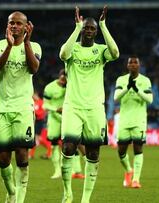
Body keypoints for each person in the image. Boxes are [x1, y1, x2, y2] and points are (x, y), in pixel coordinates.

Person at [59, 6, 119, 203]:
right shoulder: (73, 49)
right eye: (87, 27)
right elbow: (62, 54)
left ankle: (85, 199)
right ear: (82, 29)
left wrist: (103, 25)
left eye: (93, 28)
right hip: (73, 106)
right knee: (68, 148)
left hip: (94, 108)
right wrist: (76, 28)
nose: (89, 31)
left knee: (93, 152)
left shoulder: (101, 51)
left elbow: (116, 53)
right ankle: (67, 193)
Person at [0, 11, 41, 203]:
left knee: (21, 155)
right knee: (3, 158)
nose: (14, 26)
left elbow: (34, 68)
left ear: (26, 27)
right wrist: (9, 47)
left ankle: (18, 200)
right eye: (11, 23)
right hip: (1, 109)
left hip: (24, 108)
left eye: (19, 24)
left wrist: (25, 42)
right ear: (7, 25)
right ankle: (11, 191)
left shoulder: (34, 46)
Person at [114, 56, 153, 189]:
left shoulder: (145, 81)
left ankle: (136, 179)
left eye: (135, 62)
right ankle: (128, 170)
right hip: (124, 120)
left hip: (139, 121)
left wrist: (136, 89)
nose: (133, 64)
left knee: (138, 149)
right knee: (121, 151)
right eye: (130, 62)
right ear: (127, 65)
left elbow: (149, 100)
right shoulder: (121, 80)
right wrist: (127, 87)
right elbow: (115, 97)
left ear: (139, 65)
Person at [44, 69, 85, 180]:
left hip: (68, 118)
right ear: (59, 76)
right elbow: (45, 105)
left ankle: (76, 171)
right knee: (54, 144)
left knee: (72, 144)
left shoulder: (72, 88)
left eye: (66, 79)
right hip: (54, 119)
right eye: (62, 78)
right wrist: (56, 109)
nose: (63, 81)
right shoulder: (49, 88)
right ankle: (57, 170)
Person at [29, 91, 52, 159]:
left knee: (38, 139)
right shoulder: (35, 102)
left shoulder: (41, 102)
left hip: (39, 122)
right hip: (35, 122)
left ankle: (49, 151)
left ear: (36, 95)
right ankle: (31, 154)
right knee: (36, 139)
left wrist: (34, 112)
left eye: (33, 95)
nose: (32, 96)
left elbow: (41, 113)